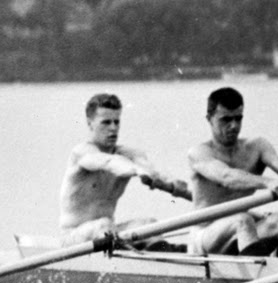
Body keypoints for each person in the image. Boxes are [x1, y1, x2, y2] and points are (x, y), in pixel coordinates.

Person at [59, 93, 191, 250]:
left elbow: (161, 176)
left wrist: (185, 192)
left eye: (116, 122)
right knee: (103, 224)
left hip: (108, 235)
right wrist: (137, 170)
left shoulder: (130, 155)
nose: (113, 128)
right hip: (73, 239)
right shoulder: (81, 153)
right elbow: (108, 162)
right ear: (90, 124)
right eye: (106, 123)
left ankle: (168, 258)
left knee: (148, 225)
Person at [187, 87, 278, 256]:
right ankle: (258, 274)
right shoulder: (199, 153)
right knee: (243, 220)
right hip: (205, 235)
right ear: (209, 119)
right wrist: (270, 183)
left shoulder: (257, 147)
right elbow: (226, 177)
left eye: (238, 118)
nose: (233, 126)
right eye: (225, 120)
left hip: (241, 230)